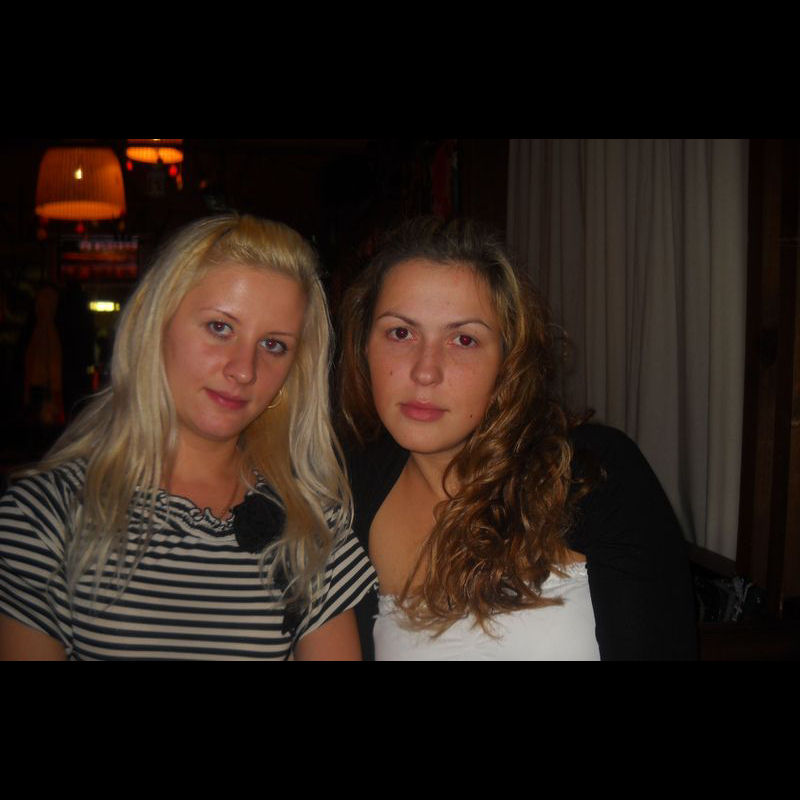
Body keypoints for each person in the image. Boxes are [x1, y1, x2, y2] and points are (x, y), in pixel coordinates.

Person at [0, 213, 376, 660]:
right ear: (157, 325)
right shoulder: (45, 515)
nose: (244, 369)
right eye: (220, 327)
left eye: (273, 345)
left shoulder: (310, 524)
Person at [338, 217, 697, 660]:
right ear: (363, 347)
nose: (425, 371)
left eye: (464, 339)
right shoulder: (346, 501)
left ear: (509, 361)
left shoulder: (592, 476)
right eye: (401, 333)